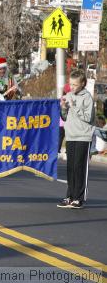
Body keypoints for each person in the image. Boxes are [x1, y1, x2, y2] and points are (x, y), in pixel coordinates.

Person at [58, 70, 95, 209]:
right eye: (70, 84)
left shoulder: (87, 97)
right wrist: (63, 108)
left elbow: (88, 117)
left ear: (82, 84)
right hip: (71, 135)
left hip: (83, 136)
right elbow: (64, 117)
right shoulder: (68, 95)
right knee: (70, 168)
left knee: (79, 167)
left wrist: (75, 107)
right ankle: (70, 196)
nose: (72, 87)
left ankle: (79, 198)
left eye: (75, 84)